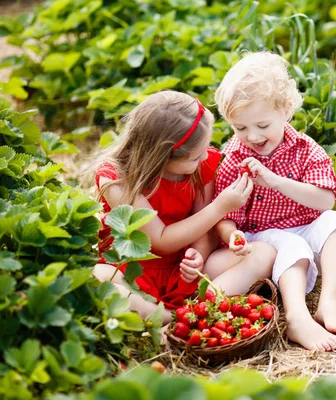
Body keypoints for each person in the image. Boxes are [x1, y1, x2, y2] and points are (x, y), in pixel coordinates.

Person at [93, 90, 276, 325]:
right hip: (132, 270)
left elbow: (205, 230)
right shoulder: (116, 179)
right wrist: (220, 208)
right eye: (194, 157)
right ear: (161, 157)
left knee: (264, 253)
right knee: (99, 279)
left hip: (183, 272)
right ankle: (175, 315)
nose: (204, 158)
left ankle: (193, 310)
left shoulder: (201, 166)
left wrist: (198, 255)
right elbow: (159, 239)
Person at [213, 52, 336, 352]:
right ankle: (296, 317)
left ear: (286, 110)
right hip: (261, 237)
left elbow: (326, 201)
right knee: (293, 246)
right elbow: (225, 215)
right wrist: (231, 235)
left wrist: (276, 181)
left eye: (262, 125)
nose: (251, 136)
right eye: (240, 128)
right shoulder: (234, 158)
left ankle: (328, 302)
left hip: (302, 224)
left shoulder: (304, 148)